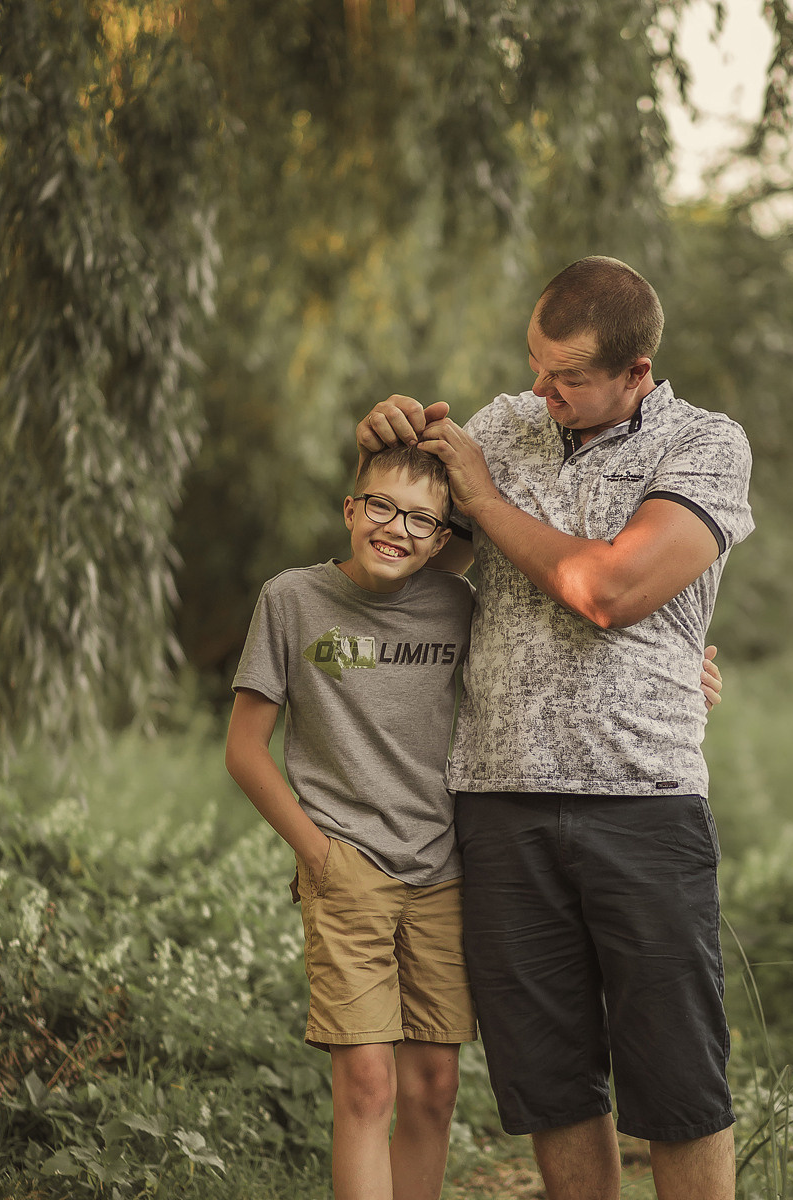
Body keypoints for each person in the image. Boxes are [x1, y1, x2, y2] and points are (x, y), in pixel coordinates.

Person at [356, 255, 754, 1200]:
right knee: (548, 1080)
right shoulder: (501, 427)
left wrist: (486, 500)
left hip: (644, 800)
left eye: (567, 376)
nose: (540, 390)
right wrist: (379, 461)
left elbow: (610, 591)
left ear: (636, 373)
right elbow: (403, 569)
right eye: (535, 363)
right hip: (497, 802)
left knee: (678, 1083)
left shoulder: (704, 444)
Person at [224, 445, 476, 1200]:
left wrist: (677, 671)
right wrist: (319, 854)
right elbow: (244, 749)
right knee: (368, 1084)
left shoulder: (459, 604)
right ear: (351, 509)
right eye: (381, 506)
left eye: (420, 519)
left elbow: (551, 657)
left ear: (441, 539)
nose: (396, 528)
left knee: (433, 1088)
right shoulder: (292, 598)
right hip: (347, 867)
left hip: (443, 870)